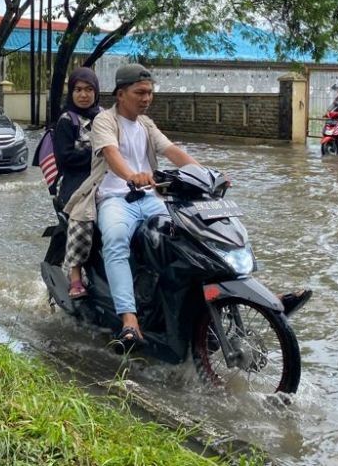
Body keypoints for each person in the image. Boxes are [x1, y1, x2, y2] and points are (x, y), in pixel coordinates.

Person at [66, 64, 311, 347]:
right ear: (121, 94)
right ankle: (129, 320)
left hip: (150, 197)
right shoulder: (105, 121)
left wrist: (207, 175)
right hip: (115, 198)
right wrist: (131, 176)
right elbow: (111, 154)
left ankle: (257, 297)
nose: (146, 98)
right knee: (116, 240)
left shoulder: (146, 124)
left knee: (193, 235)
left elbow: (172, 151)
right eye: (140, 93)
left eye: (150, 93)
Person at [53, 68, 102, 300]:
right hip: (76, 184)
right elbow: (65, 158)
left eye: (89, 89)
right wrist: (99, 154)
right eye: (78, 90)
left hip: (104, 180)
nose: (83, 95)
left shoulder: (105, 117)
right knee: (82, 219)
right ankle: (74, 276)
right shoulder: (66, 121)